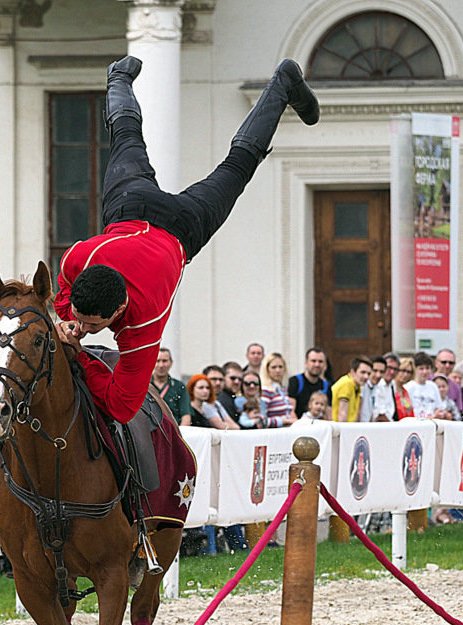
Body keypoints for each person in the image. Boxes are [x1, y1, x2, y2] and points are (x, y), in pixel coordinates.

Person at [51, 56, 319, 424]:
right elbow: (64, 289)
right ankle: (119, 79)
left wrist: (78, 352)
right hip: (142, 210)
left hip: (175, 228)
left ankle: (282, 86)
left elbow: (121, 406)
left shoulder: (142, 325)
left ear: (118, 312)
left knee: (239, 165)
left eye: (93, 325)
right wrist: (68, 318)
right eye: (83, 321)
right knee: (132, 141)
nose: (83, 328)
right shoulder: (79, 258)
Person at [287, 347, 332, 418]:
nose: (317, 365)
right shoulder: (295, 381)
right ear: (306, 363)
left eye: (320, 361)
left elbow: (328, 413)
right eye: (313, 361)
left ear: (325, 365)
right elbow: (291, 411)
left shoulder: (326, 386)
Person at [150, 348, 191, 425]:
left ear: (171, 363)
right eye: (157, 361)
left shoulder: (179, 386)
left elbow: (186, 416)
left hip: (173, 431)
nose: (161, 365)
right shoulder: (145, 385)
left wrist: (179, 435)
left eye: (164, 361)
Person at [405, 352, 448, 420]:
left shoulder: (433, 386)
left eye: (427, 368)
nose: (425, 372)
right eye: (421, 369)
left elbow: (438, 407)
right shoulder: (408, 387)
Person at [330, 356, 372, 423]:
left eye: (368, 373)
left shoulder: (357, 387)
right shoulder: (347, 384)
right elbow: (342, 414)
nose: (366, 376)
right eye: (363, 372)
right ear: (353, 372)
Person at [260, 353, 297, 427]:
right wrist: (284, 421)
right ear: (267, 369)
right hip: (273, 434)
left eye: (280, 367)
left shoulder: (282, 389)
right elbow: (262, 420)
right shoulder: (265, 390)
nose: (278, 370)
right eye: (273, 367)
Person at [372, 353, 400, 421]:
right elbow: (380, 415)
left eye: (395, 369)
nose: (392, 372)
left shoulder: (392, 385)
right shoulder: (377, 384)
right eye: (389, 368)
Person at [358, 355, 386, 422]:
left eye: (381, 372)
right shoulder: (362, 385)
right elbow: (358, 411)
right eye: (375, 371)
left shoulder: (376, 387)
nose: (378, 375)